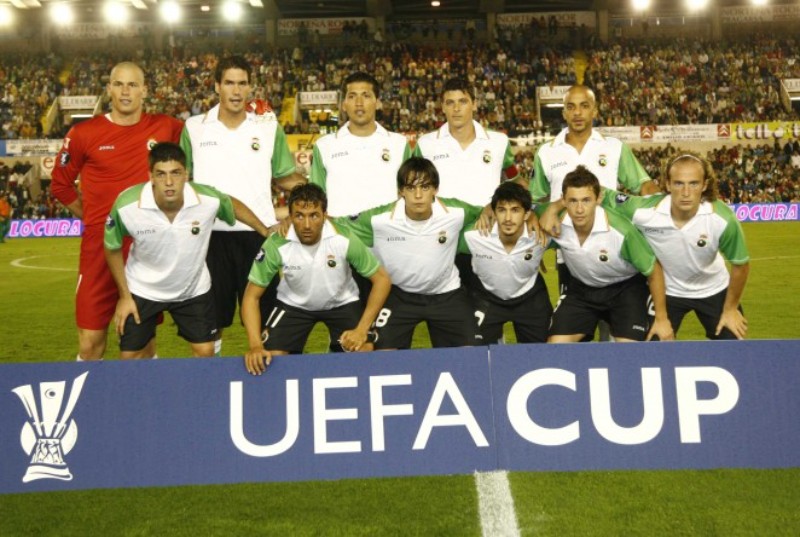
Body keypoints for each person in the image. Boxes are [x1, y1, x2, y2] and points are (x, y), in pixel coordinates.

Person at [51, 61, 184, 361]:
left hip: (144, 250)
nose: (126, 91)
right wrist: (95, 218)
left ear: (145, 90)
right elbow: (60, 185)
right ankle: (86, 404)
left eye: (133, 85)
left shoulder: (166, 127)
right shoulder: (84, 133)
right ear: (109, 88)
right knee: (90, 343)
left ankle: (145, 405)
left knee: (141, 344)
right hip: (99, 250)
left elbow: (206, 135)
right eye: (119, 84)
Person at [180, 55, 304, 355]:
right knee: (210, 330)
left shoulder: (267, 127)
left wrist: (309, 195)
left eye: (243, 84)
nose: (236, 91)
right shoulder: (195, 128)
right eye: (230, 83)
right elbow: (181, 180)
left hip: (259, 237)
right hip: (209, 237)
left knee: (267, 324)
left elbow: (285, 176)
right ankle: (213, 385)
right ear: (217, 86)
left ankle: (270, 389)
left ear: (251, 88)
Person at [104, 143, 271, 358]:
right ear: (151, 177)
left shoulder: (207, 199)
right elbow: (111, 247)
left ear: (186, 174)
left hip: (192, 290)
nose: (169, 182)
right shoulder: (126, 206)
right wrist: (125, 297)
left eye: (176, 173)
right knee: (130, 358)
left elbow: (232, 204)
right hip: (142, 290)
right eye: (161, 174)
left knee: (205, 353)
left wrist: (263, 230)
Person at [532, 85, 658, 341]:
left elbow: (643, 185)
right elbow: (535, 200)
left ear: (595, 110)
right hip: (570, 251)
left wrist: (656, 212)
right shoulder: (546, 152)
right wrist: (536, 244)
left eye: (584, 106)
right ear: (564, 113)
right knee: (578, 326)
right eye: (570, 107)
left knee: (613, 332)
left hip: (613, 247)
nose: (577, 113)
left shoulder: (613, 147)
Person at [334, 157, 483, 350]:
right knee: (381, 355)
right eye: (411, 188)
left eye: (425, 187)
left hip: (447, 294)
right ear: (401, 191)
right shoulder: (379, 219)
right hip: (400, 295)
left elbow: (487, 212)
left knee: (471, 355)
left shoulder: (456, 212)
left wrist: (522, 215)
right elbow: (335, 226)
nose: (418, 195)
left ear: (436, 189)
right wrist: (288, 222)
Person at [243, 184, 391, 375]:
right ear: (289, 216)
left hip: (342, 302)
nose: (306, 225)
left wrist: (362, 330)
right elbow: (250, 297)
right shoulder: (276, 244)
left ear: (324, 215)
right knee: (271, 357)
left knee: (363, 351)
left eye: (314, 215)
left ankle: (335, 348)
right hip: (293, 304)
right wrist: (255, 345)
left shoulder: (344, 237)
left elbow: (382, 280)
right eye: (299, 216)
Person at [607, 153, 750, 339]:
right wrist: (555, 208)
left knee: (733, 348)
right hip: (667, 292)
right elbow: (600, 194)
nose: (686, 192)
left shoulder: (722, 218)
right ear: (667, 184)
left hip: (714, 288)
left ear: (705, 185)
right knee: (652, 352)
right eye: (678, 183)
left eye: (694, 183)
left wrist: (730, 308)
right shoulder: (644, 211)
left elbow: (741, 265)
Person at [544, 166, 674, 343]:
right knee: (555, 345)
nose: (580, 209)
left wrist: (661, 318)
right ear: (564, 201)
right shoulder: (556, 220)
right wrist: (548, 210)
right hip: (582, 289)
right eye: (573, 201)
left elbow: (653, 270)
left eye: (586, 200)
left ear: (598, 199)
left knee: (629, 351)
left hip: (625, 289)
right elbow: (523, 211)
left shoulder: (621, 231)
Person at [459, 182, 552, 344]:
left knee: (541, 356)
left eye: (515, 210)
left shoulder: (542, 235)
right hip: (486, 298)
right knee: (475, 354)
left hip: (530, 298)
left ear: (526, 214)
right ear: (493, 212)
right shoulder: (473, 235)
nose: (508, 218)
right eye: (502, 210)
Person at [310, 72, 412, 218]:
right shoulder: (324, 146)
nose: (359, 102)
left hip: (389, 236)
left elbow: (411, 194)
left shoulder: (399, 144)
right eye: (352, 96)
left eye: (366, 95)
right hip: (342, 236)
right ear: (344, 104)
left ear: (377, 103)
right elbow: (315, 199)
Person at [414, 78, 520, 207]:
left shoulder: (499, 141)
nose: (456, 108)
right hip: (443, 226)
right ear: (442, 107)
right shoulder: (425, 145)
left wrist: (530, 211)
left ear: (474, 104)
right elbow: (411, 187)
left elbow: (515, 180)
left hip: (488, 225)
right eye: (450, 103)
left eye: (463, 101)